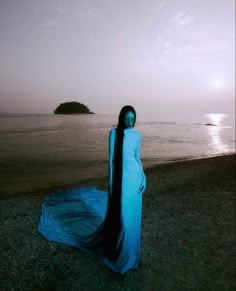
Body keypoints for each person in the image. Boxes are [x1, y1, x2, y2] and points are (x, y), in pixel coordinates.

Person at [38, 105, 146, 274]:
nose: (130, 122)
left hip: (136, 181)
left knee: (132, 221)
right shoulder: (114, 134)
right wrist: (111, 187)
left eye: (133, 118)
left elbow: (136, 157)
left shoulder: (137, 135)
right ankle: (121, 257)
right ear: (122, 118)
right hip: (122, 184)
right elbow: (111, 162)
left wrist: (144, 176)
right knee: (124, 221)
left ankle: (131, 258)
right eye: (127, 118)